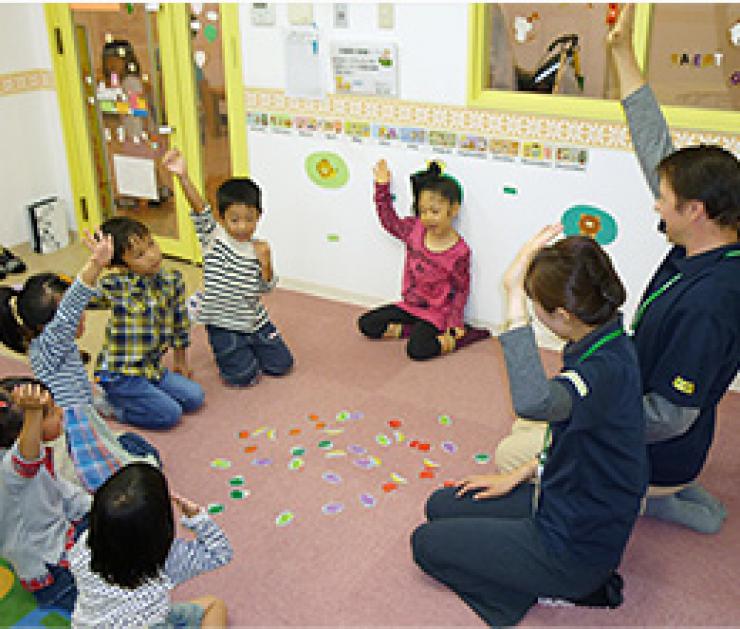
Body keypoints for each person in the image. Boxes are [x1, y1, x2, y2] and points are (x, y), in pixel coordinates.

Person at [495, 4, 740, 535]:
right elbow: (657, 150)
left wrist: (590, 416)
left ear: (695, 210)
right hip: (649, 412)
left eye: (664, 200)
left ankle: (653, 495)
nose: (656, 204)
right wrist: (622, 53)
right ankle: (661, 489)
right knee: (538, 423)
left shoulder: (711, 303)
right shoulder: (712, 238)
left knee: (515, 449)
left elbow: (671, 416)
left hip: (663, 446)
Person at [412, 227, 648, 626]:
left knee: (425, 544)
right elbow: (574, 439)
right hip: (559, 498)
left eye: (536, 303)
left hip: (571, 549)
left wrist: (513, 302)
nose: (534, 309)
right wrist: (520, 475)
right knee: (440, 505)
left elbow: (535, 403)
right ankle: (528, 569)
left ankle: (523, 597)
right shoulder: (605, 339)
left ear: (564, 316)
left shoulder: (604, 368)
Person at [0, 232, 160, 491]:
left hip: (85, 415)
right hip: (73, 428)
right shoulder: (50, 344)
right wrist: (95, 264)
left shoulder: (49, 343)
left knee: (130, 444)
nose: (82, 315)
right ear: (47, 326)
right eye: (75, 315)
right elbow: (71, 308)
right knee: (136, 468)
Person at [161, 148, 294, 386]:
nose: (242, 227)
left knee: (282, 365)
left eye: (249, 219)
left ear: (259, 216)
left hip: (254, 321)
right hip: (223, 324)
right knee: (243, 378)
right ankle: (236, 354)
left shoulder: (259, 247)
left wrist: (266, 262)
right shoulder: (213, 237)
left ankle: (249, 349)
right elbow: (199, 208)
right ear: (221, 218)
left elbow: (265, 288)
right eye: (234, 220)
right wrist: (183, 176)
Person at [69, 462, 231, 627]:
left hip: (89, 625)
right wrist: (197, 517)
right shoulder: (170, 560)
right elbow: (220, 553)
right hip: (148, 624)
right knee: (215, 605)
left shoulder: (82, 545)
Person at [358, 160, 489, 361]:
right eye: (423, 211)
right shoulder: (414, 230)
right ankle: (411, 330)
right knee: (367, 324)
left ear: (454, 209)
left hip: (437, 313)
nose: (428, 218)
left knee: (417, 350)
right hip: (410, 306)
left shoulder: (459, 252)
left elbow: (461, 290)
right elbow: (389, 221)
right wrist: (382, 186)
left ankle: (465, 337)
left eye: (435, 212)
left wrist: (455, 322)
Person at [95, 217, 205, 429]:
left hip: (150, 368)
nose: (153, 255)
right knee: (170, 415)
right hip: (120, 373)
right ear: (120, 265)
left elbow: (180, 323)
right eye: (139, 255)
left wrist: (181, 361)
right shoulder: (115, 285)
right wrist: (96, 264)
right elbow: (81, 298)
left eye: (152, 244)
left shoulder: (172, 280)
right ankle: (112, 405)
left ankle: (142, 395)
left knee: (195, 397)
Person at [0, 382, 91, 613]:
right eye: (49, 412)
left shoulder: (32, 460)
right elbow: (25, 460)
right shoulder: (12, 469)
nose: (60, 413)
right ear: (27, 432)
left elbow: (64, 492)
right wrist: (33, 413)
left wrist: (97, 506)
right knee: (107, 603)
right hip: (52, 568)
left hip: (65, 532)